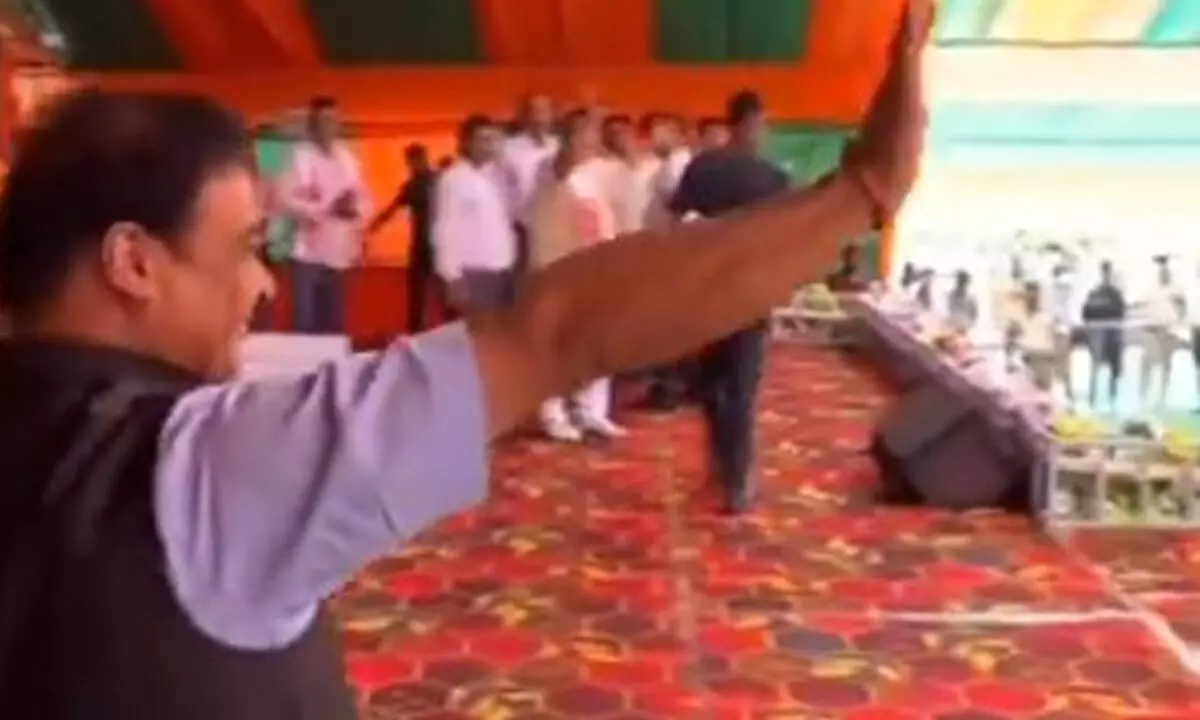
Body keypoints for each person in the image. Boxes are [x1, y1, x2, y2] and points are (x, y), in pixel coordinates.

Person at [0, 1, 929, 714]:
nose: (262, 286)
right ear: (133, 262)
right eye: (244, 247)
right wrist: (859, 194)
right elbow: (559, 331)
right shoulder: (198, 472)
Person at [667, 90, 792, 514]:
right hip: (749, 293)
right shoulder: (772, 178)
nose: (765, 133)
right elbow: (782, 240)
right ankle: (735, 481)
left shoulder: (702, 167)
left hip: (705, 290)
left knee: (709, 383)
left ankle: (720, 468)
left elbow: (675, 223)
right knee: (740, 387)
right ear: (751, 123)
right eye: (764, 124)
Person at [528, 109, 627, 441]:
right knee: (560, 344)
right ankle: (553, 412)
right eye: (585, 133)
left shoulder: (596, 172)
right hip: (560, 267)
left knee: (597, 342)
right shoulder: (550, 166)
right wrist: (574, 140)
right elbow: (561, 168)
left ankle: (591, 411)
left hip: (597, 267)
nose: (593, 139)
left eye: (594, 133)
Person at [277, 96, 371, 334]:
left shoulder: (348, 160)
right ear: (312, 125)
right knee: (305, 327)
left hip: (339, 254)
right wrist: (326, 209)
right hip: (308, 256)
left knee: (333, 327)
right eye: (322, 121)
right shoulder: (300, 157)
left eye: (332, 120)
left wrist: (356, 211)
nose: (328, 126)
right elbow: (284, 198)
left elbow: (365, 200)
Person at [433, 115, 516, 312]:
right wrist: (452, 277)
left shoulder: (496, 176)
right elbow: (446, 230)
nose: (488, 146)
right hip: (472, 273)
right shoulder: (454, 179)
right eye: (482, 139)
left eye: (492, 139)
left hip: (501, 270)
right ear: (466, 143)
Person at [369, 143, 439, 333]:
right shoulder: (413, 185)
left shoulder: (437, 182)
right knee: (417, 291)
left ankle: (442, 329)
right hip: (421, 244)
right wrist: (374, 226)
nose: (413, 165)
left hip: (436, 244)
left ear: (422, 159)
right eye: (410, 162)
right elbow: (393, 208)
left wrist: (375, 225)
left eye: (415, 160)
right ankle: (415, 330)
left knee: (440, 291)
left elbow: (392, 209)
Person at [496, 93, 558, 275]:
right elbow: (501, 190)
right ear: (524, 117)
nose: (541, 117)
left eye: (545, 111)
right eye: (535, 111)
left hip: (556, 224)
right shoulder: (508, 148)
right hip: (522, 228)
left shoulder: (557, 145)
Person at [598, 113, 661, 236]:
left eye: (625, 132)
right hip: (617, 236)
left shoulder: (654, 165)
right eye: (614, 133)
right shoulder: (600, 167)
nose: (620, 138)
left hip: (650, 234)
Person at [1137, 255, 1184, 407]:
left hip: (1168, 330)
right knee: (1146, 363)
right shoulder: (1151, 289)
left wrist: (1177, 325)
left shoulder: (1175, 290)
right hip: (1152, 329)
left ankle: (1162, 397)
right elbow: (1143, 306)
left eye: (1166, 272)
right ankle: (1142, 397)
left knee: (1166, 364)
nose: (1163, 274)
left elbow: (1182, 308)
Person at [1082, 260, 1128, 408]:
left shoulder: (1116, 294)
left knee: (1114, 368)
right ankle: (1093, 397)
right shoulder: (1095, 293)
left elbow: (1122, 313)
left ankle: (1112, 397)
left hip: (1114, 334)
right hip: (1098, 334)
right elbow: (1086, 313)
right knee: (1095, 366)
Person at [945, 269, 979, 333]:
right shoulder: (949, 297)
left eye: (963, 282)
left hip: (963, 330)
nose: (961, 284)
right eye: (960, 281)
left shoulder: (970, 299)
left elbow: (973, 317)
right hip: (950, 330)